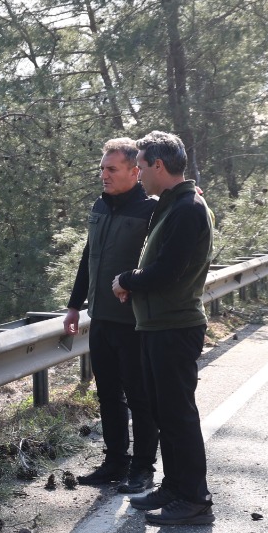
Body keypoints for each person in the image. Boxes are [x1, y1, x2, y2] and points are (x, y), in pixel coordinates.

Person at [110, 132, 215, 526]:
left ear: (157, 165)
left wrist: (127, 280)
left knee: (178, 415)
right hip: (159, 326)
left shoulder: (188, 207)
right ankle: (174, 488)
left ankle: (195, 500)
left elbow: (169, 270)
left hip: (175, 326)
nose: (136, 174)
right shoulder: (175, 204)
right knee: (164, 412)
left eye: (139, 165)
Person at [64, 138, 159, 492]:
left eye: (111, 169)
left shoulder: (151, 211)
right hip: (100, 319)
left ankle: (143, 468)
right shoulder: (99, 207)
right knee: (107, 395)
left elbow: (157, 265)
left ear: (135, 172)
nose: (103, 175)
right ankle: (115, 462)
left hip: (135, 322)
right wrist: (74, 306)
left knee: (140, 397)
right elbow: (88, 258)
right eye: (102, 168)